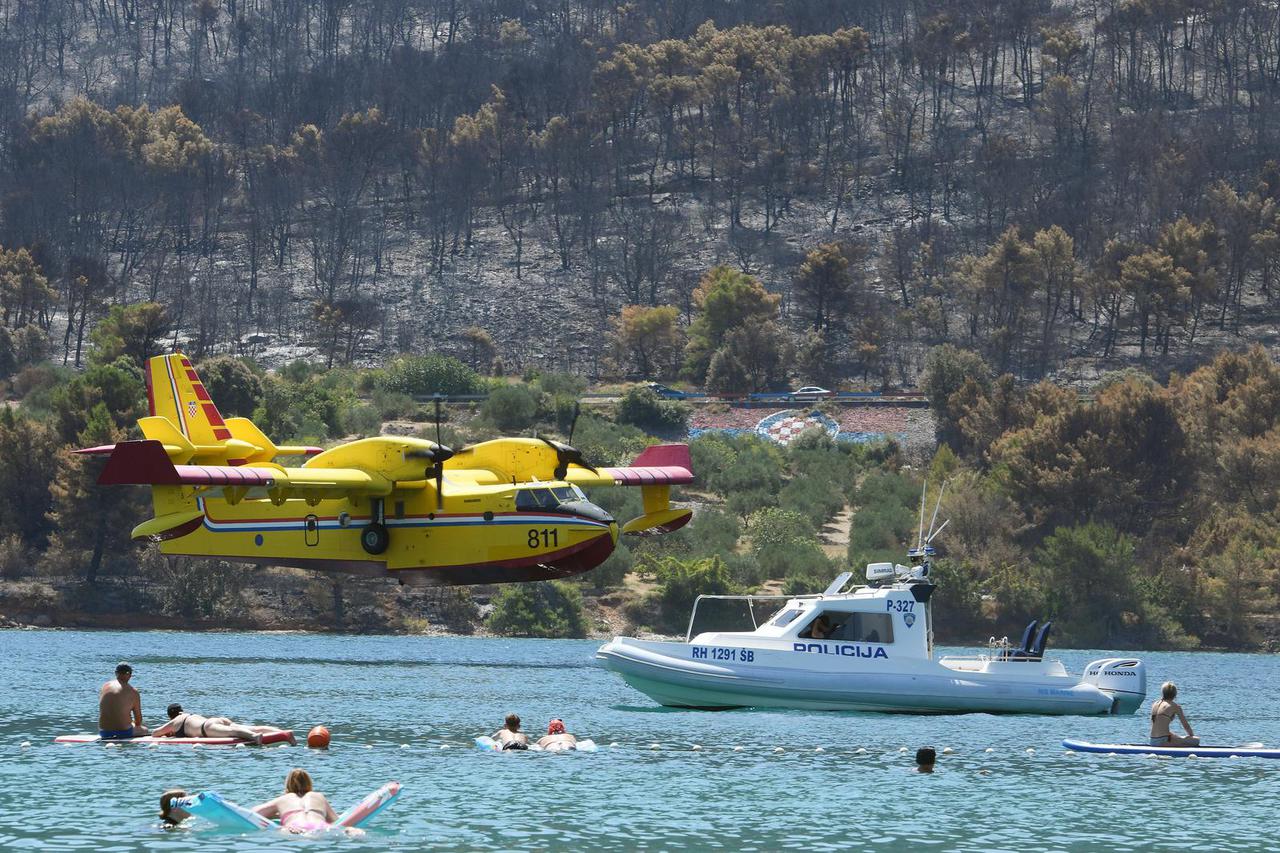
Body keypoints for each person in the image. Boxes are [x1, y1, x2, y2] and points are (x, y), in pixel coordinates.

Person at [152, 703, 296, 745]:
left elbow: (155, 733)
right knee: (251, 727)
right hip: (215, 720)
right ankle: (283, 732)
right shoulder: (189, 715)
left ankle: (254, 737)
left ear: (171, 716)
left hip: (206, 728)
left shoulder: (175, 721)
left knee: (235, 732)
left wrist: (168, 733)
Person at [254, 769, 340, 834]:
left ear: (287, 785)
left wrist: (277, 814)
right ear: (309, 783)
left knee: (280, 831)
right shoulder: (318, 796)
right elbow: (335, 820)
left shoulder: (284, 798)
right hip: (320, 826)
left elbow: (254, 813)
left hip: (295, 827)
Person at [98, 662, 148, 740]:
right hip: (123, 733)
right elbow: (138, 721)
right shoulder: (133, 691)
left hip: (104, 732)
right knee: (144, 729)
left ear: (116, 673)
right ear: (130, 675)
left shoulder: (105, 686)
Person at [1150, 682, 1199, 747]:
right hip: (1164, 741)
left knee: (1176, 736)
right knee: (1196, 740)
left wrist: (1175, 736)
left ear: (1163, 693)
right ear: (1175, 694)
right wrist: (1191, 737)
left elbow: (1158, 725)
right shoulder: (1175, 706)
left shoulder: (1155, 704)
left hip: (1152, 740)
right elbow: (1186, 726)